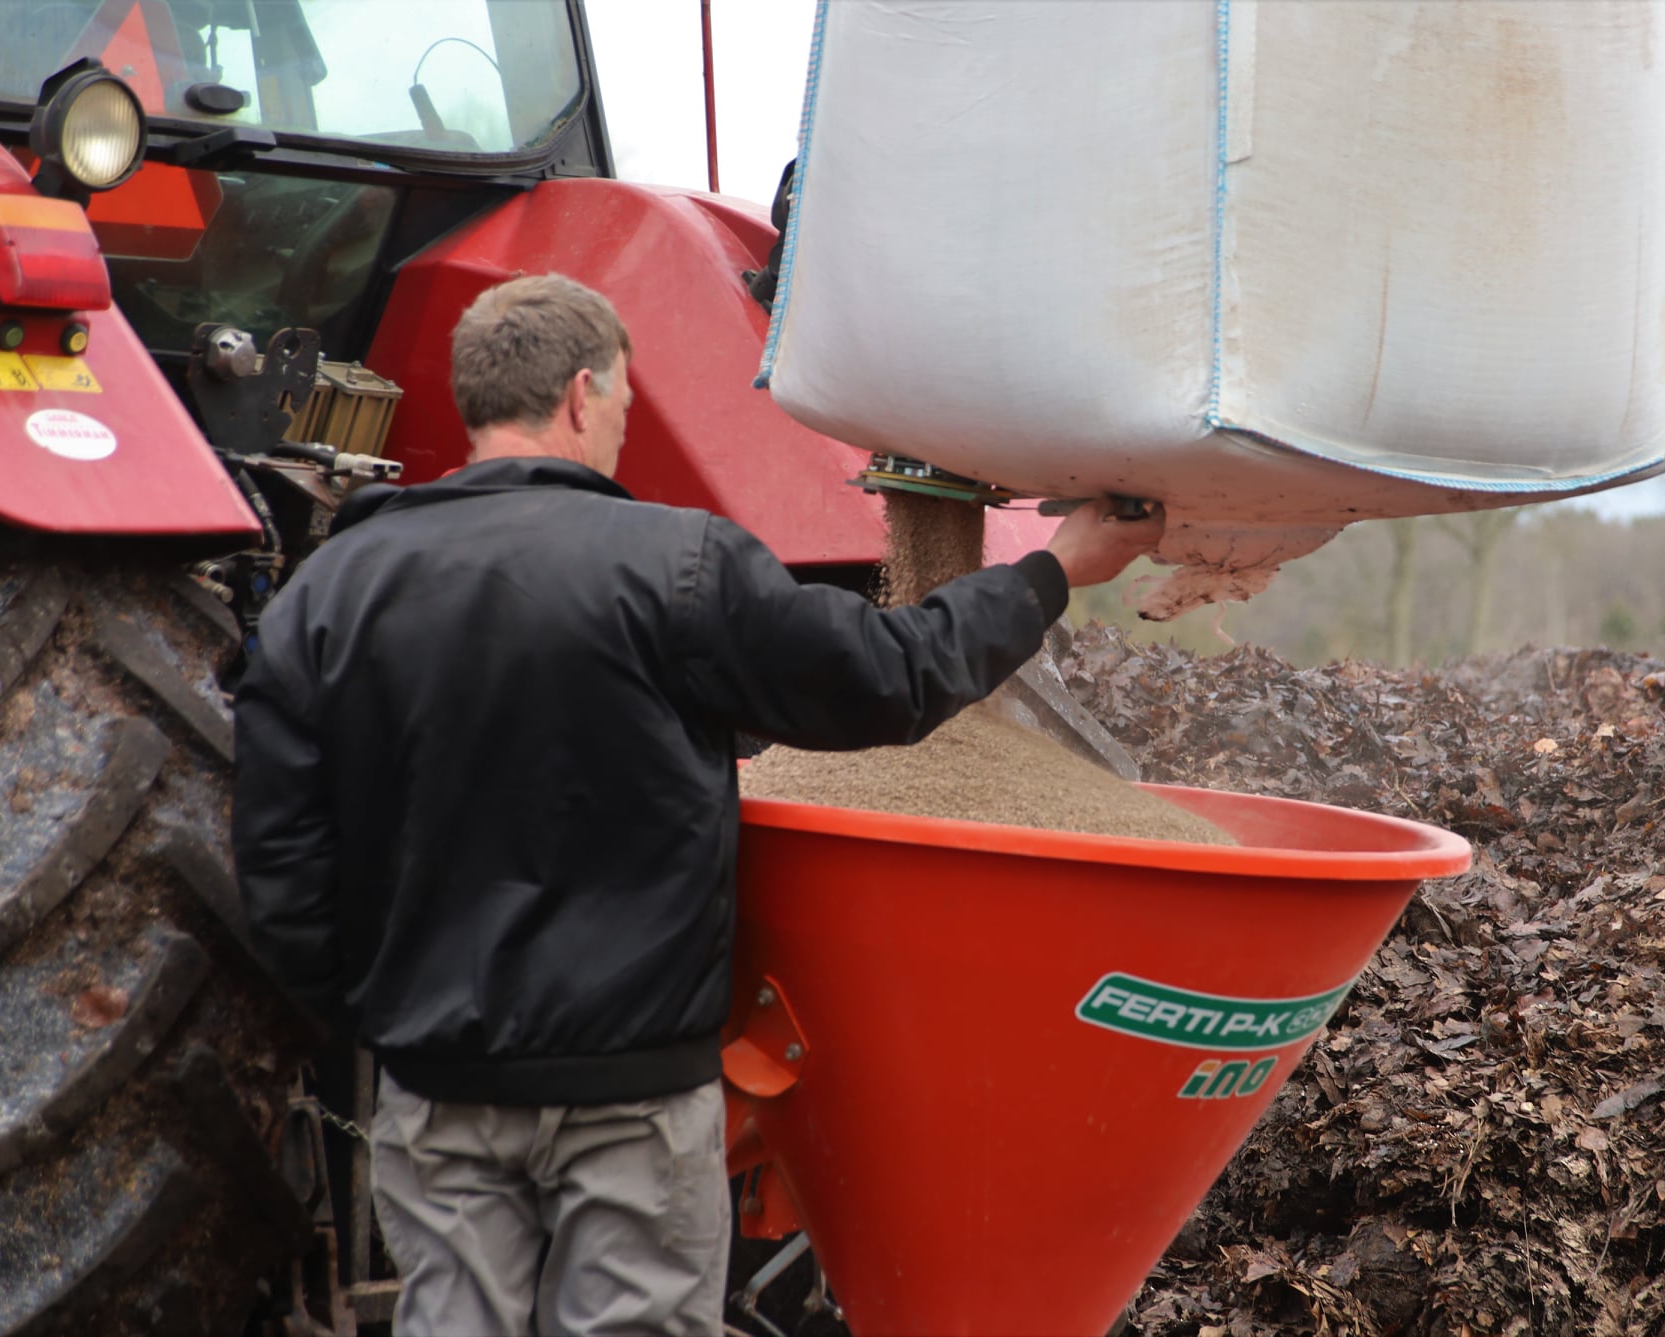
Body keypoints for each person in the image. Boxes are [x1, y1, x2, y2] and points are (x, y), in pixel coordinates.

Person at [231, 273, 1165, 1337]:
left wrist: (385, 1015)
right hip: (632, 1094)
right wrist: (1051, 571)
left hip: (438, 1082)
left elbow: (280, 866)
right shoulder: (680, 567)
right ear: (583, 394)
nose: (624, 424)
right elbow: (892, 676)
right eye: (625, 399)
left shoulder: (331, 588)